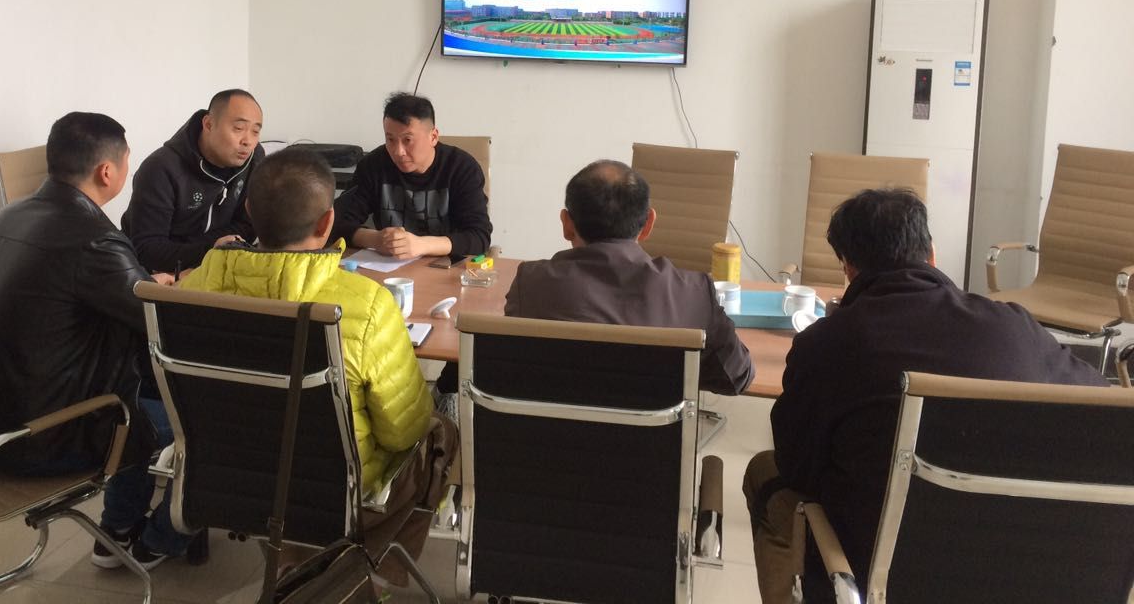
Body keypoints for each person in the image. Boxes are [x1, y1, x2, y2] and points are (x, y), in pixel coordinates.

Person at [745, 188, 1107, 604]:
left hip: (879, 574)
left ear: (848, 267)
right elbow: (1101, 407)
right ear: (932, 254)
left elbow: (797, 466)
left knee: (765, 473)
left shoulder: (826, 345)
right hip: (1021, 567)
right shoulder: (1015, 329)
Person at [179, 146, 457, 578]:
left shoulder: (193, 290)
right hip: (332, 489)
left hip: (226, 476)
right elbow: (402, 432)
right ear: (328, 222)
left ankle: (300, 562)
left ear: (248, 211)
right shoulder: (364, 304)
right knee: (442, 432)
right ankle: (355, 575)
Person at [0, 112, 193, 570]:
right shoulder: (96, 240)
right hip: (47, 438)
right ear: (107, 172)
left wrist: (144, 284)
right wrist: (169, 290)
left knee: (140, 387)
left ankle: (116, 531)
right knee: (202, 426)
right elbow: (162, 325)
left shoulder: (8, 215)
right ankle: (157, 542)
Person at [504, 159, 754, 394]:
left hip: (553, 425)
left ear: (566, 224)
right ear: (648, 224)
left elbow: (510, 366)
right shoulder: (694, 293)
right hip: (655, 425)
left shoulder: (531, 284)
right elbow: (737, 378)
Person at [330, 92, 491, 262]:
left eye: (407, 140)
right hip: (389, 267)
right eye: (390, 139)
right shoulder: (373, 166)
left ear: (433, 137)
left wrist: (422, 245)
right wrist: (376, 239)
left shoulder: (461, 168)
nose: (398, 151)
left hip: (446, 267)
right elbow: (337, 224)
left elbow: (479, 237)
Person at [121, 89, 264, 273]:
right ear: (209, 124)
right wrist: (210, 250)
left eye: (255, 131)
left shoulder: (254, 159)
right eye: (238, 128)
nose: (248, 141)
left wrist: (215, 249)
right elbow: (147, 249)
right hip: (157, 276)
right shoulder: (161, 168)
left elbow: (248, 225)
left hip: (214, 267)